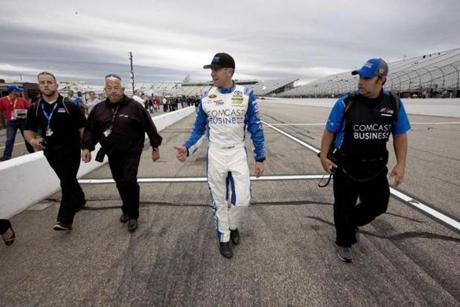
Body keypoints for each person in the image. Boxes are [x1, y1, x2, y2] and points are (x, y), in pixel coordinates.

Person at [319, 58, 411, 263]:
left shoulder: (393, 103)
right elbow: (329, 131)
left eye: (366, 78)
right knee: (342, 206)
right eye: (360, 76)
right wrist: (324, 157)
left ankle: (350, 224)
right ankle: (344, 242)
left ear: (382, 80)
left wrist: (401, 163)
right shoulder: (345, 102)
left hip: (376, 167)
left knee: (379, 204)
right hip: (346, 166)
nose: (360, 81)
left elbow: (400, 135)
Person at [175, 53, 265, 259]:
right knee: (219, 200)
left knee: (242, 200)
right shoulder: (207, 97)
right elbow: (199, 130)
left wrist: (260, 158)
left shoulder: (247, 94)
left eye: (216, 69)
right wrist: (187, 148)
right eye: (211, 70)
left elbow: (256, 128)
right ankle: (223, 237)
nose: (212, 73)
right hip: (215, 153)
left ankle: (233, 225)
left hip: (237, 152)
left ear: (229, 71)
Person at [81, 74, 162, 232]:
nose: (113, 91)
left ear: (122, 89)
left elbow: (149, 127)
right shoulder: (98, 109)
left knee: (129, 180)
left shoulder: (135, 107)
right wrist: (86, 147)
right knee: (120, 182)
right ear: (105, 90)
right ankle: (126, 206)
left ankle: (133, 215)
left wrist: (155, 147)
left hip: (132, 150)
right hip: (112, 152)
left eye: (116, 88)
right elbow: (91, 130)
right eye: (109, 88)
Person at [24, 72, 86, 231]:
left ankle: (65, 220)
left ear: (56, 85)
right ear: (39, 86)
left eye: (49, 82)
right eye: (43, 82)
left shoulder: (69, 105)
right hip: (50, 151)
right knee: (67, 179)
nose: (46, 85)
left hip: (70, 149)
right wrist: (33, 140)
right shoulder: (35, 108)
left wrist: (86, 146)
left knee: (66, 182)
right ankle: (79, 199)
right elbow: (28, 130)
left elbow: (82, 128)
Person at [0, 85, 35, 160]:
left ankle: (32, 152)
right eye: (18, 91)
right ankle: (6, 156)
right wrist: (1, 122)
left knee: (27, 137)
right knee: (10, 139)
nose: (19, 92)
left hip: (23, 121)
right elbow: (0, 111)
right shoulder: (2, 100)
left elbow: (29, 108)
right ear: (13, 92)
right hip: (11, 123)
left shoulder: (22, 100)